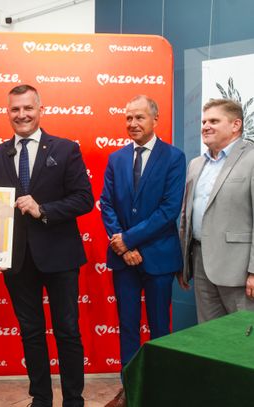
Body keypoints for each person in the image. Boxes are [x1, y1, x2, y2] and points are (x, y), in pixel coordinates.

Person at [0, 84, 93, 407]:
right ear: (8, 113)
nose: (22, 115)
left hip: (60, 257)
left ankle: (73, 399)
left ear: (40, 109)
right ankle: (41, 398)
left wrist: (43, 209)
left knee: (67, 331)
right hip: (17, 260)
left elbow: (84, 199)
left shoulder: (66, 149)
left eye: (28, 108)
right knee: (31, 332)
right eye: (15, 109)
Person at [100, 95, 186, 407]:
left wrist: (128, 239)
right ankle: (131, 389)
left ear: (155, 119)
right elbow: (106, 204)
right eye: (128, 118)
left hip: (159, 257)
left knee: (160, 327)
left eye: (139, 117)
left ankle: (159, 390)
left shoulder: (174, 157)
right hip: (124, 259)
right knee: (127, 327)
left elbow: (169, 210)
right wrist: (123, 247)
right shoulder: (116, 159)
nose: (133, 123)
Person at [178, 98, 254, 322]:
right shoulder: (195, 164)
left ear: (236, 125)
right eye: (203, 122)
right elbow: (186, 217)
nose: (205, 126)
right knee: (209, 336)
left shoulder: (251, 158)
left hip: (239, 271)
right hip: (201, 265)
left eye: (213, 121)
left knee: (244, 336)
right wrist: (185, 264)